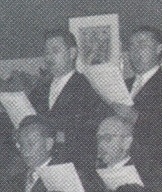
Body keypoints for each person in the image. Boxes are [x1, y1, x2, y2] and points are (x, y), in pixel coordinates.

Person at [29, 29, 112, 171]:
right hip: (44, 166)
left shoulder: (87, 87)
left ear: (72, 53)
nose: (49, 57)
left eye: (55, 51)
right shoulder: (39, 90)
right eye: (46, 52)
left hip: (76, 166)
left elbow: (91, 132)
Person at [124, 27, 162, 187]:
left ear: (159, 49)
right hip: (124, 166)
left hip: (153, 170)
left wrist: (136, 118)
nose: (135, 51)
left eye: (142, 44)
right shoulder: (124, 85)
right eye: (131, 46)